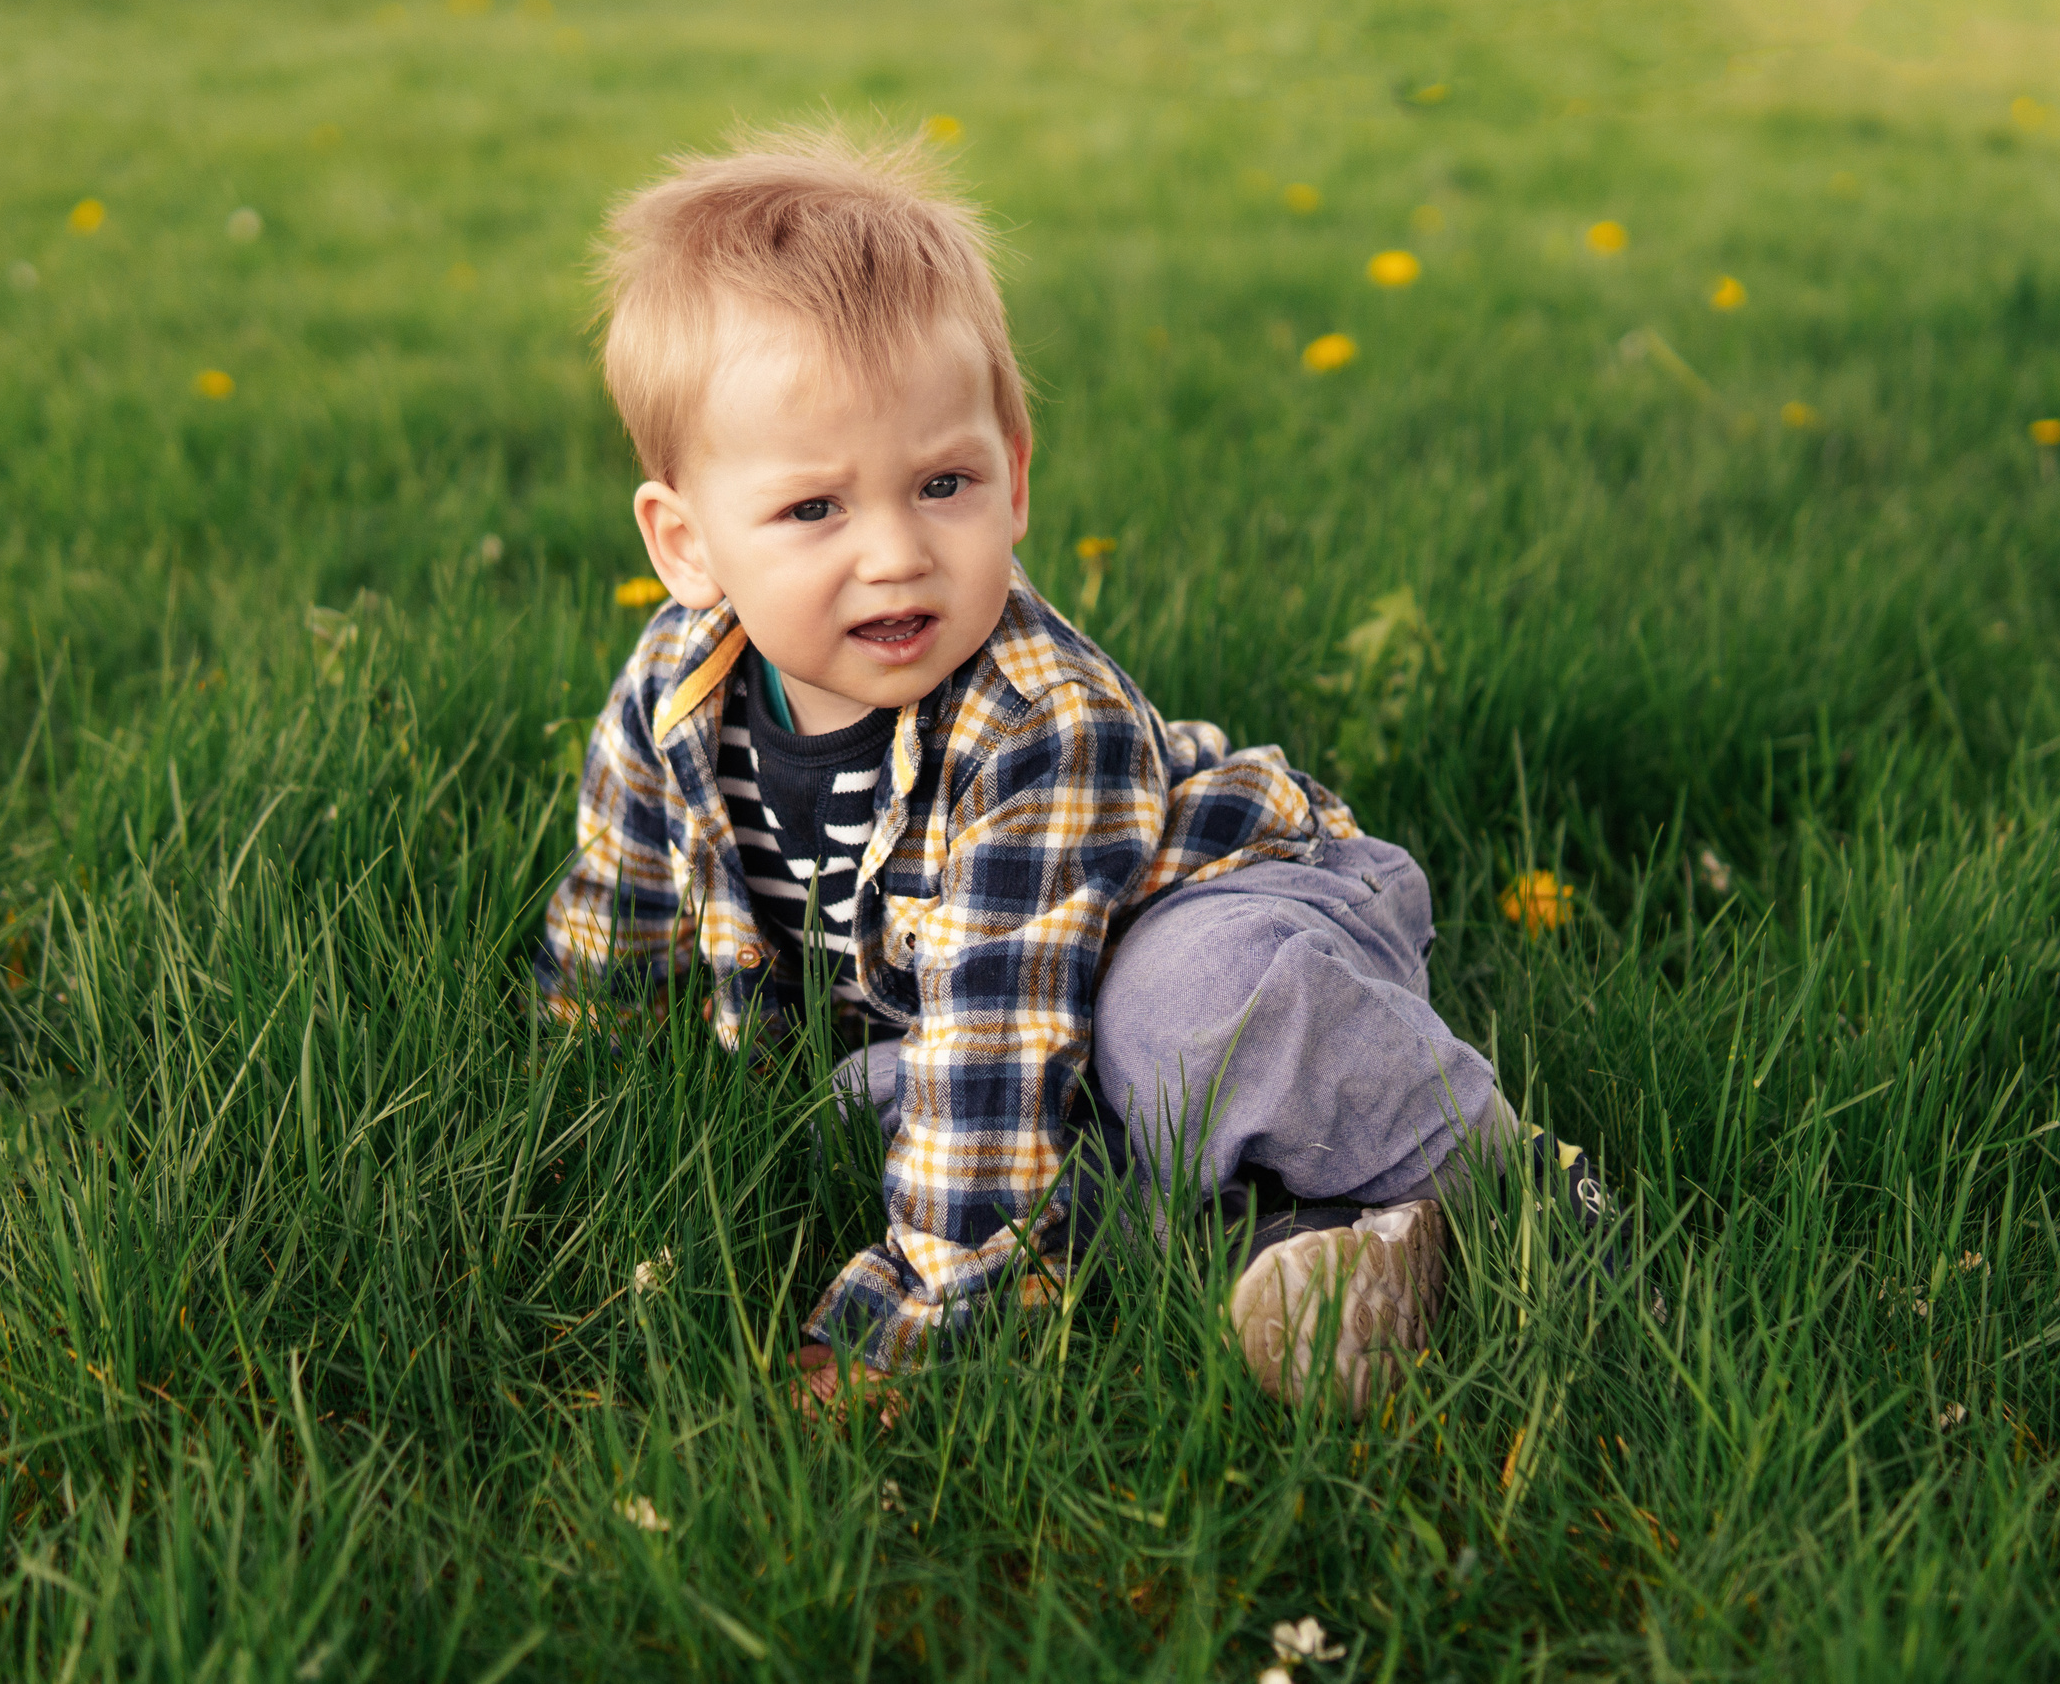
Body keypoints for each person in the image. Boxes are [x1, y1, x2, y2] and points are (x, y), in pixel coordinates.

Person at [537, 126, 1635, 1417]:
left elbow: (996, 1055)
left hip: (1233, 912)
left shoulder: (1039, 720)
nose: (894, 553)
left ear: (1015, 478)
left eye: (942, 483)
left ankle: (1506, 1188)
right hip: (998, 1014)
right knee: (858, 1100)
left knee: (1175, 1016)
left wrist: (917, 1317)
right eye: (815, 509)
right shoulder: (674, 695)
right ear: (686, 543)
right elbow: (622, 931)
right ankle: (1307, 1256)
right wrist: (582, 1103)